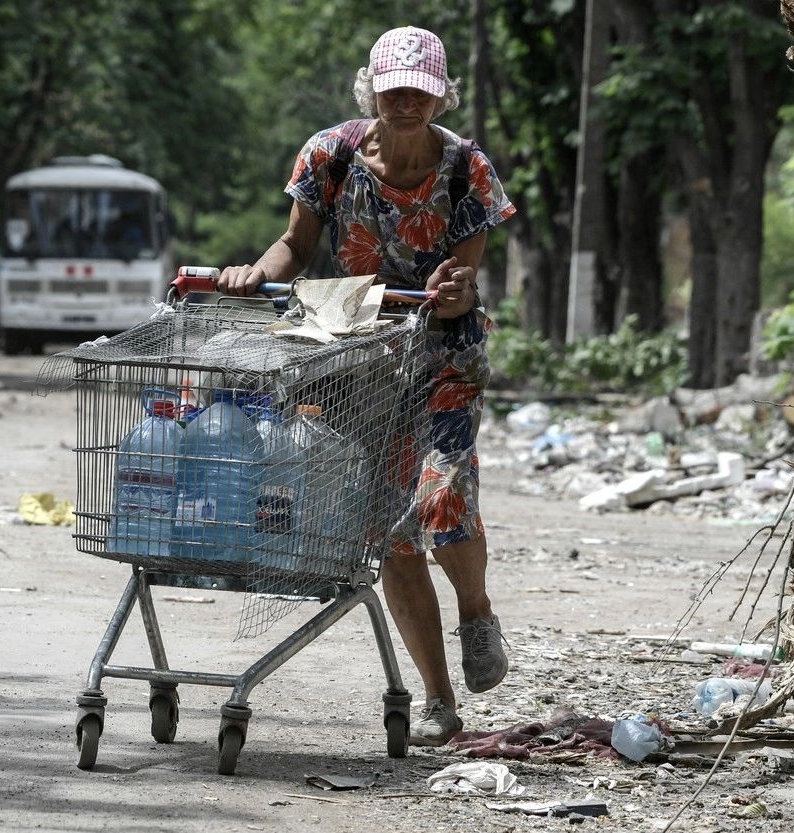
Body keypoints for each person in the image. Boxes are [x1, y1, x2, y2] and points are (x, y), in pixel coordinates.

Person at [219, 25, 517, 747]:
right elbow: (295, 244)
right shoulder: (331, 155)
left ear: (441, 91)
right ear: (372, 90)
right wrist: (256, 272)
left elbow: (465, 276)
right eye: (395, 89)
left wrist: (454, 291)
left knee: (440, 494)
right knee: (392, 528)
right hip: (357, 356)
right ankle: (440, 702)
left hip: (444, 353)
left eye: (421, 88)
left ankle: (475, 610)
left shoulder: (466, 169)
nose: (408, 100)